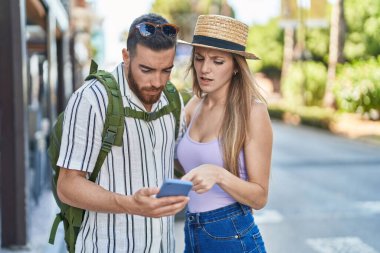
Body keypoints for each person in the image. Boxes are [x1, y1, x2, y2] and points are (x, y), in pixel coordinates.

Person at [56, 13, 189, 252]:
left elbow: (177, 161)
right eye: (146, 70)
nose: (157, 82)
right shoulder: (91, 99)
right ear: (126, 57)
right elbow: (67, 185)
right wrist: (129, 204)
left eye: (166, 70)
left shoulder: (172, 98)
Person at [176, 14, 273, 252]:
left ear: (236, 67)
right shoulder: (193, 106)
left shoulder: (252, 112)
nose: (205, 69)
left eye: (218, 61)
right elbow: (189, 166)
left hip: (232, 234)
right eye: (199, 58)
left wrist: (219, 175)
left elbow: (259, 198)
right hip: (192, 231)